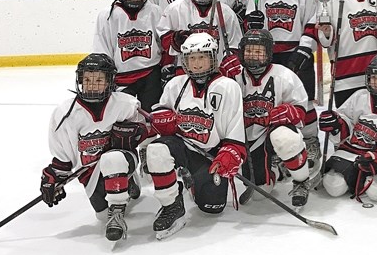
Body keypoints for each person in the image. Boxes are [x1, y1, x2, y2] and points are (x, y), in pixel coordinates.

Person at [142, 33, 247, 239]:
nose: (196, 64)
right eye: (191, 58)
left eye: (202, 57)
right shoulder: (175, 84)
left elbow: (235, 130)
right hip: (181, 146)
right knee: (157, 149)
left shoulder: (227, 87)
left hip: (209, 154)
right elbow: (160, 115)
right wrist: (162, 121)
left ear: (213, 58)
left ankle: (192, 179)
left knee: (212, 207)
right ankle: (172, 205)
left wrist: (229, 152)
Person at [40, 53, 150, 242]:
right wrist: (53, 178)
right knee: (101, 214)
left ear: (109, 82)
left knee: (112, 160)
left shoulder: (125, 104)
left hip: (121, 160)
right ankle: (126, 186)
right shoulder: (65, 114)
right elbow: (63, 157)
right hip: (89, 171)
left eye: (99, 80)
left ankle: (118, 211)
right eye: (88, 79)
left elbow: (146, 127)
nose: (92, 84)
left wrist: (133, 134)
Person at [244, 0, 322, 172]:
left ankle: (310, 140)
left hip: (296, 51)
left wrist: (305, 49)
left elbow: (313, 21)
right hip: (267, 54)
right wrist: (252, 23)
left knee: (305, 100)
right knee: (271, 102)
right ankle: (276, 145)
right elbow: (252, 17)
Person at [233, 29, 318, 207]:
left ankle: (301, 181)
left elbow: (301, 110)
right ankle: (276, 169)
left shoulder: (284, 75)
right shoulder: (235, 77)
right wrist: (222, 76)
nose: (253, 56)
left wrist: (289, 112)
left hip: (274, 133)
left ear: (268, 52)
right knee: (260, 193)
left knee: (285, 138)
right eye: (249, 51)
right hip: (251, 141)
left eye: (258, 51)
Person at [319, 55, 377, 202]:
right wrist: (336, 124)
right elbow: (345, 119)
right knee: (334, 187)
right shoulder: (360, 96)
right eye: (374, 77)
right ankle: (356, 175)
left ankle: (363, 176)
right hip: (351, 150)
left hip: (376, 156)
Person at [93, 0, 168, 111]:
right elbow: (102, 47)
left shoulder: (155, 11)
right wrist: (106, 75)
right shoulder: (107, 15)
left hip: (151, 74)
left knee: (151, 117)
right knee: (124, 119)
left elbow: (163, 43)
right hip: (122, 77)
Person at [157, 0, 242, 79]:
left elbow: (235, 44)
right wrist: (174, 40)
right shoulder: (175, 9)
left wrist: (229, 62)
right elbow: (162, 37)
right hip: (184, 71)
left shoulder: (226, 12)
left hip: (216, 71)